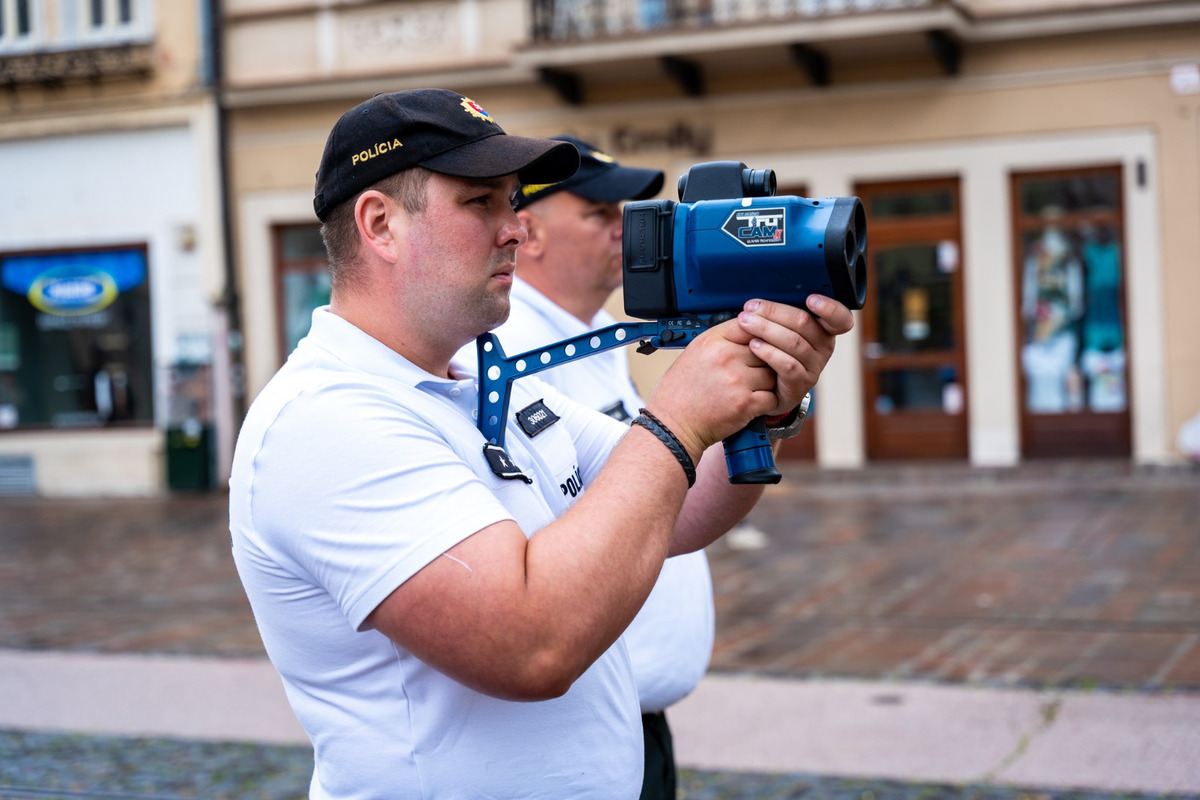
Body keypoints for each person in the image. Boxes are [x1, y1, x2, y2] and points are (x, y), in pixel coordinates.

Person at [228, 88, 854, 800]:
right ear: (380, 225)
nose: (515, 230)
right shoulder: (326, 420)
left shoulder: (485, 382)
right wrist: (677, 418)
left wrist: (762, 401)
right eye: (480, 204)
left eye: (513, 202)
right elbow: (530, 647)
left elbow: (677, 508)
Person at [459, 136, 705, 800]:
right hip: (573, 720)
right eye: (600, 213)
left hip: (627, 719)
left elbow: (674, 486)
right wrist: (688, 412)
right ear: (528, 231)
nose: (626, 226)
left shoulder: (593, 329)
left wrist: (765, 407)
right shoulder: (509, 351)